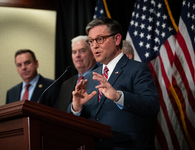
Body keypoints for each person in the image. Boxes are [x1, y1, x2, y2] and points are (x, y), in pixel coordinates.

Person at [67, 18, 160, 150]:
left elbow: (152, 106)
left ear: (116, 39)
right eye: (91, 41)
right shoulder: (90, 76)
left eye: (100, 39)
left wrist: (118, 97)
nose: (94, 46)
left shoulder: (137, 69)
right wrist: (76, 108)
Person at [58, 35, 98, 111]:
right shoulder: (66, 84)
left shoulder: (101, 77)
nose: (77, 55)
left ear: (93, 54)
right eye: (74, 52)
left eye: (82, 51)